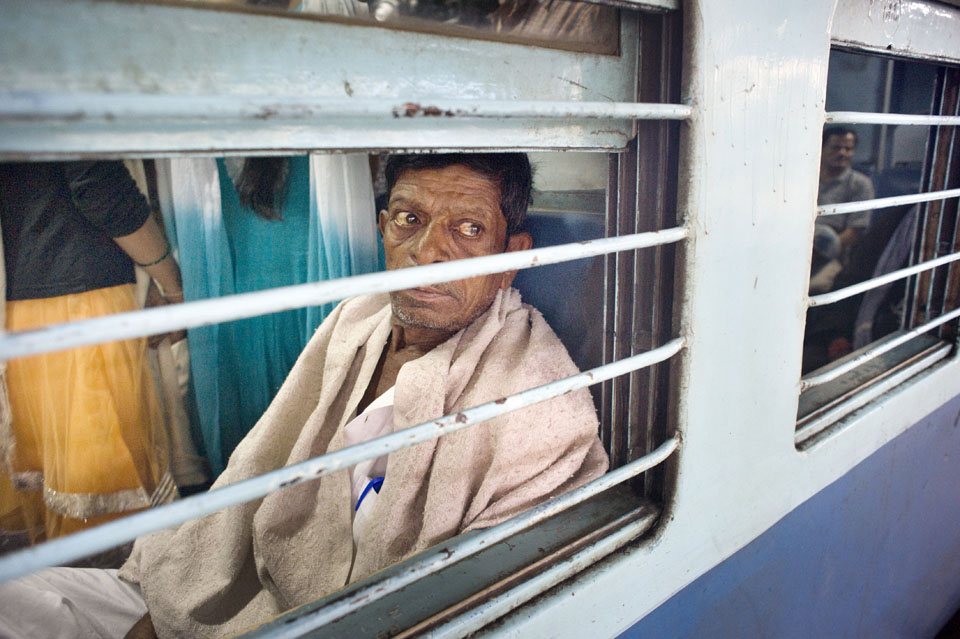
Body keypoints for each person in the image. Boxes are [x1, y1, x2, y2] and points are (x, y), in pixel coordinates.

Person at [0, 153, 609, 639]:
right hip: (232, 587)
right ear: (383, 229)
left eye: (469, 230)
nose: (427, 252)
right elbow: (255, 469)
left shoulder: (539, 404)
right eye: (408, 219)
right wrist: (165, 610)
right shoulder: (355, 319)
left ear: (512, 258)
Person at [0, 161, 182, 542]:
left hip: (24, 304)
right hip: (85, 303)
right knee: (107, 507)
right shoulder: (60, 99)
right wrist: (172, 281)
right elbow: (102, 191)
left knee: (66, 501)